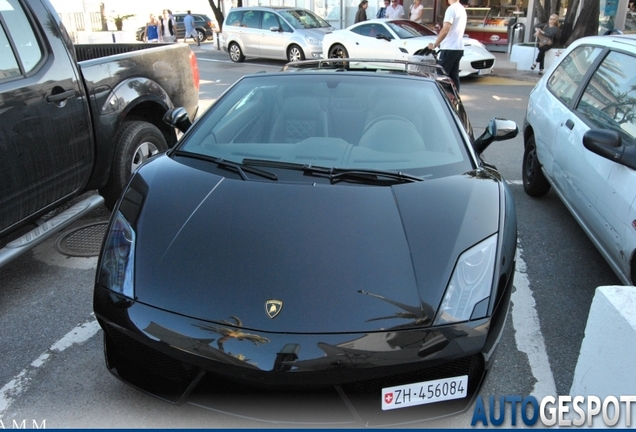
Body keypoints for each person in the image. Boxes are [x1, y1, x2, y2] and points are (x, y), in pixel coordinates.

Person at [427, 0, 467, 91]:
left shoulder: (451, 9)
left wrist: (435, 44)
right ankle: (455, 99)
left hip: (449, 47)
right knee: (453, 76)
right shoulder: (461, 9)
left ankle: (443, 100)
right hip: (458, 47)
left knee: (441, 76)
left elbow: (446, 29)